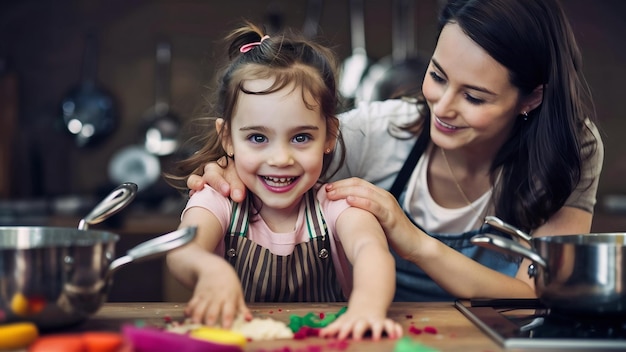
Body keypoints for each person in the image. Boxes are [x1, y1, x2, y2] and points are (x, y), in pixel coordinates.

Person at [187, 0, 604, 302]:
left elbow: (540, 291)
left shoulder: (571, 149)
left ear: (530, 99)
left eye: (474, 97)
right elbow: (282, 146)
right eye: (437, 76)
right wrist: (226, 170)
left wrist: (414, 241)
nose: (442, 107)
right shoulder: (378, 132)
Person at [164, 22, 402, 340]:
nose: (280, 158)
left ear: (329, 136)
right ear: (228, 138)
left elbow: (372, 251)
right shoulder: (215, 200)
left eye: (301, 137)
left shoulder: (338, 206)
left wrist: (367, 308)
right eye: (258, 137)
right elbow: (181, 251)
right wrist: (209, 268)